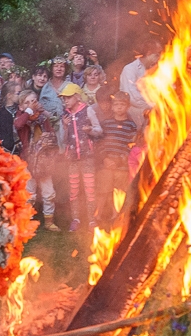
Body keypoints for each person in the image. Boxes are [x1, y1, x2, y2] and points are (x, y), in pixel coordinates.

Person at [59, 82, 102, 231]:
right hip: (72, 158)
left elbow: (99, 130)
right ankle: (76, 219)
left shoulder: (88, 111)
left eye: (68, 98)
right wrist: (64, 127)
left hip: (87, 157)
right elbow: (63, 140)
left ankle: (92, 220)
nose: (65, 101)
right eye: (64, 98)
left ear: (77, 97)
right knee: (74, 190)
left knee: (90, 189)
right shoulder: (64, 115)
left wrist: (90, 130)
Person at [14, 90, 60, 232]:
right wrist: (28, 111)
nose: (31, 105)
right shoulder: (21, 117)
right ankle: (28, 222)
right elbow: (18, 125)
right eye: (27, 102)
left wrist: (43, 112)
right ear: (21, 107)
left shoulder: (42, 118)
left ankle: (49, 221)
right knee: (29, 194)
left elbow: (51, 132)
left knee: (49, 191)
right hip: (27, 161)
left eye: (33, 101)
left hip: (43, 161)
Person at [97, 91, 139, 224]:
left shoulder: (131, 126)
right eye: (116, 104)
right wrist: (105, 159)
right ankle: (97, 214)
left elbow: (132, 145)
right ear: (112, 106)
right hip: (107, 162)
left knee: (119, 190)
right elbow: (100, 143)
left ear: (127, 107)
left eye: (122, 105)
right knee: (103, 190)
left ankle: (116, 215)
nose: (119, 107)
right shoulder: (106, 123)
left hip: (122, 164)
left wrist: (121, 158)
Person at [120, 41, 163, 127]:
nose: (160, 56)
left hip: (156, 114)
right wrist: (153, 105)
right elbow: (132, 97)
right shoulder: (130, 69)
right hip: (134, 116)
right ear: (149, 53)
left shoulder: (159, 68)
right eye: (158, 53)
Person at [0, 82, 20, 154]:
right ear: (9, 95)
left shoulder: (21, 110)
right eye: (18, 93)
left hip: (22, 150)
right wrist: (2, 143)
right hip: (7, 152)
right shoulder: (0, 114)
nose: (20, 95)